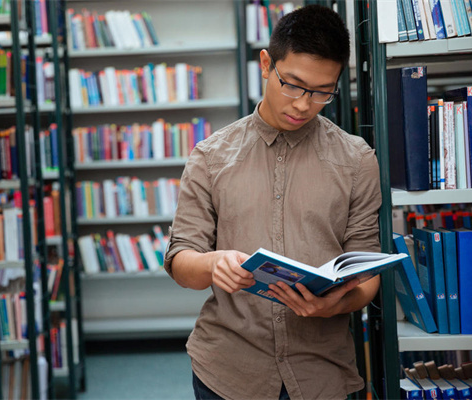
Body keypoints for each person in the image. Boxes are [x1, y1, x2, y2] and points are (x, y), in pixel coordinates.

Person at [163, 5, 383, 400]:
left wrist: (338, 303)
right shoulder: (210, 156)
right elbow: (181, 262)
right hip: (228, 370)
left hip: (323, 372)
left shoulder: (357, 160)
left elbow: (367, 272)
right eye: (293, 84)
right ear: (266, 64)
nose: (303, 104)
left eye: (321, 92)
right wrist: (214, 265)